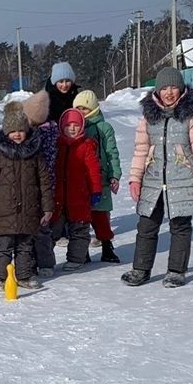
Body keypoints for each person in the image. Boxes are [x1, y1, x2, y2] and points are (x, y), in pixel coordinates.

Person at [124, 67, 193, 288]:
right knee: (146, 226)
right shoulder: (148, 119)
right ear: (157, 91)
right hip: (153, 181)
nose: (169, 92)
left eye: (173, 87)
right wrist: (135, 179)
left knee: (180, 226)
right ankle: (140, 269)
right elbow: (140, 150)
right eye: (164, 88)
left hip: (182, 181)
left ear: (181, 89)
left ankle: (176, 270)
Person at [0, 102, 52, 292]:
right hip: (4, 211)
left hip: (28, 210)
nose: (17, 134)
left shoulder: (35, 154)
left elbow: (44, 181)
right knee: (4, 248)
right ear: (6, 133)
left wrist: (48, 207)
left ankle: (24, 276)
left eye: (21, 130)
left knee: (25, 247)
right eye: (13, 131)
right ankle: (1, 278)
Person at [73, 90, 123, 261]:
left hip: (100, 179)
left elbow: (112, 153)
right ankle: (82, 250)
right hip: (80, 181)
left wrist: (114, 174)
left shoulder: (104, 128)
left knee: (101, 215)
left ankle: (106, 246)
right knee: (81, 217)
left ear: (93, 109)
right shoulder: (74, 127)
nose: (81, 112)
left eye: (85, 109)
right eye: (78, 108)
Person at [51, 107, 103, 271]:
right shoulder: (56, 145)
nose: (71, 128)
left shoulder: (86, 146)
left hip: (79, 197)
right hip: (58, 197)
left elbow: (93, 171)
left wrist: (95, 190)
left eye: (75, 125)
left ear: (81, 126)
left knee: (79, 230)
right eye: (67, 125)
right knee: (52, 230)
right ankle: (44, 260)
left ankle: (76, 259)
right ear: (61, 127)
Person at [22, 89, 59, 278]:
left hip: (40, 188)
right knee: (38, 228)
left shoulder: (40, 136)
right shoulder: (50, 131)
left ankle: (42, 262)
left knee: (39, 228)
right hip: (40, 187)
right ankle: (38, 262)